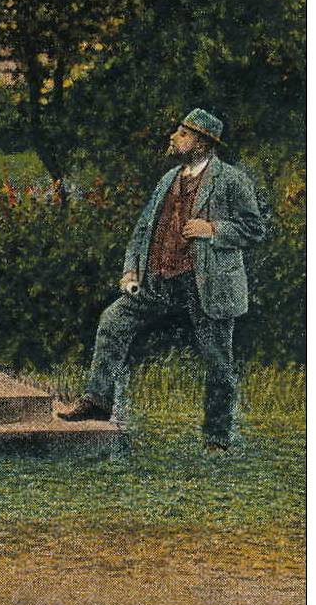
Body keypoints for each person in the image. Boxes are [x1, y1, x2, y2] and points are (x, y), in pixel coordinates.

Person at [58, 109, 266, 449]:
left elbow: (255, 228)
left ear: (202, 143)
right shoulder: (169, 179)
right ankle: (97, 400)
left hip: (207, 284)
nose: (173, 137)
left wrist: (212, 229)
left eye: (182, 134)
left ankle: (217, 436)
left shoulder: (230, 180)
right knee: (113, 320)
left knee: (218, 361)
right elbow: (144, 229)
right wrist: (131, 269)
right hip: (159, 279)